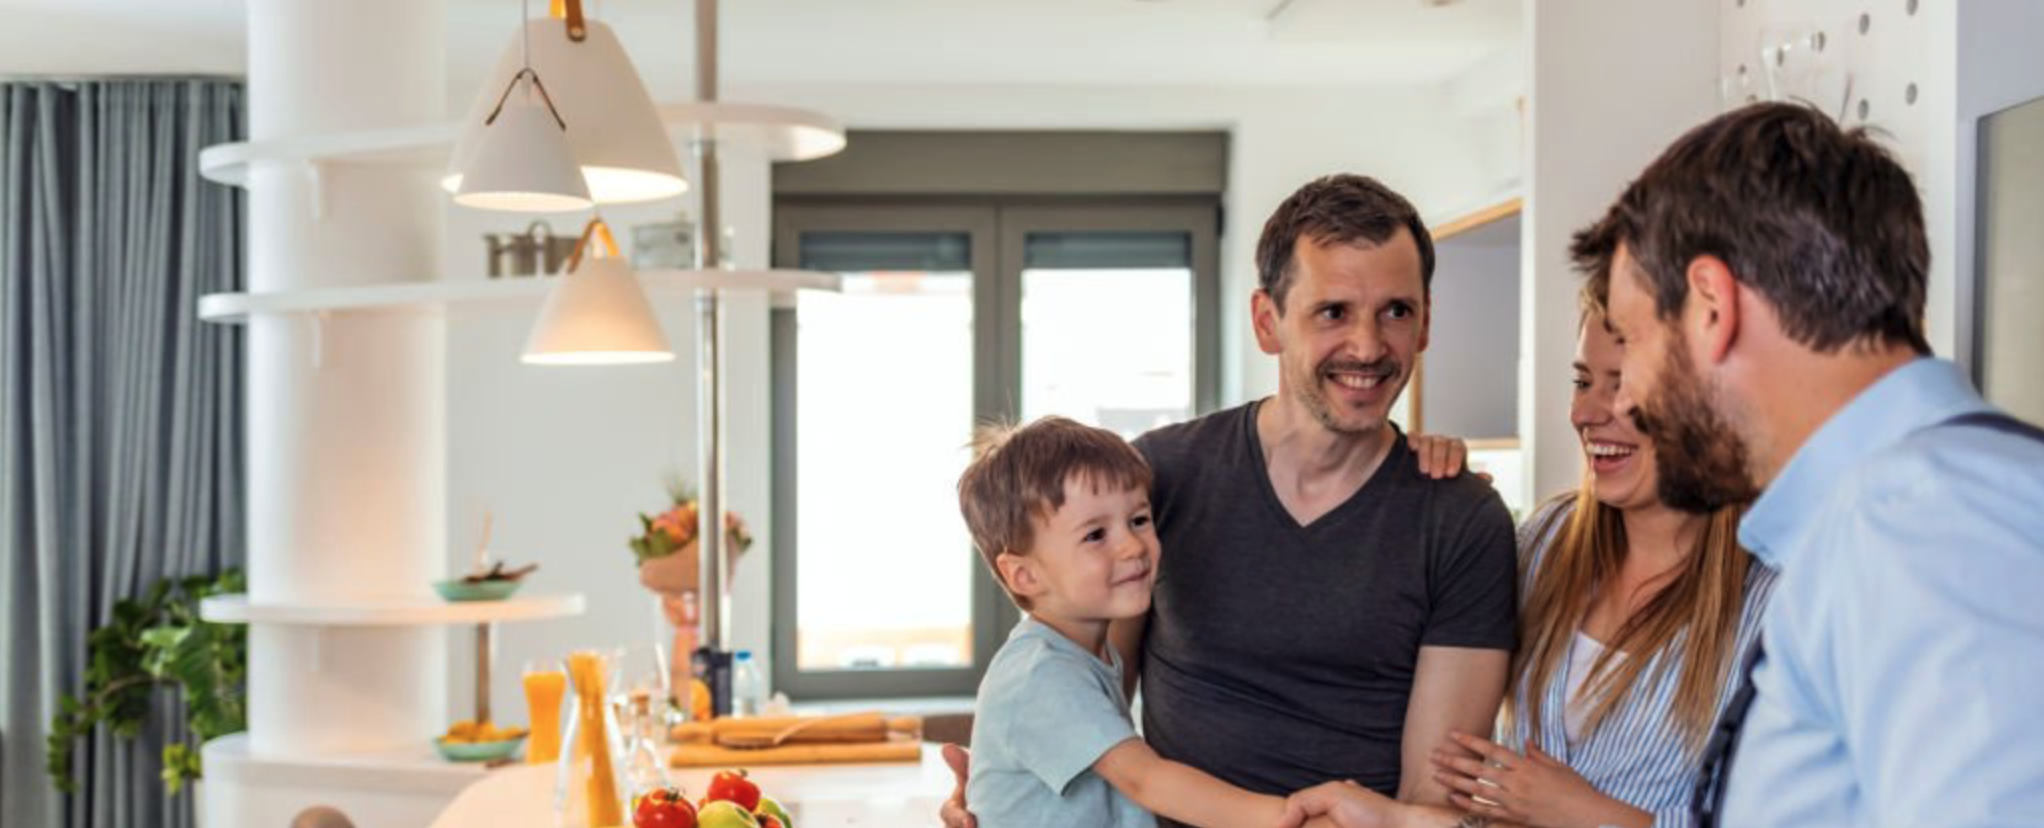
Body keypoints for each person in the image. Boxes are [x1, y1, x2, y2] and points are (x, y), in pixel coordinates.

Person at [945, 173, 1520, 828]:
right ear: (1267, 322)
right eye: (1333, 312)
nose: (1368, 345)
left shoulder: (1460, 519)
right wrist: (1007, 793)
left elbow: (1430, 801)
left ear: (1424, 326)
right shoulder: (1159, 476)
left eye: (1397, 310)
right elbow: (1094, 684)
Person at [1580, 101, 2044, 827]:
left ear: (1711, 306)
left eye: (1632, 342)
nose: (1629, 394)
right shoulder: (1896, 511)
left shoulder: (1919, 520)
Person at [1287, 303, 1778, 828]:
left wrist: (1583, 814)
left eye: (1622, 384)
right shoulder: (1545, 541)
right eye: (1583, 381)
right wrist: (1438, 507)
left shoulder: (1777, 599)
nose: (1586, 413)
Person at [954, 416, 1321, 828]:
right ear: (1024, 576)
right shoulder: (1040, 674)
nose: (1132, 545)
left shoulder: (1089, 655)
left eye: (1139, 520)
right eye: (1095, 535)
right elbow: (1147, 780)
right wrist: (1289, 818)